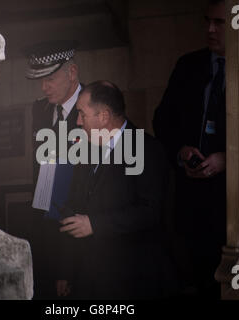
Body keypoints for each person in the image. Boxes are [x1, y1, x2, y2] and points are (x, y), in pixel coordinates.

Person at [57, 81, 177, 299]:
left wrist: (95, 224)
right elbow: (73, 208)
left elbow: (150, 212)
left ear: (103, 116)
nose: (77, 121)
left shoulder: (147, 149)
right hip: (89, 280)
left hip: (132, 282)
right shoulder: (86, 149)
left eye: (82, 114)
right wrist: (65, 271)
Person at [152, 0, 227, 299]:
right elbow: (162, 120)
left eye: (219, 22)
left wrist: (228, 161)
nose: (210, 29)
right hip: (191, 199)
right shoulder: (189, 65)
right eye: (207, 20)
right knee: (199, 277)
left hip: (232, 204)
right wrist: (181, 150)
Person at [23, 40, 82, 299]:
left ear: (72, 73)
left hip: (80, 229)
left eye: (50, 78)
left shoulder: (95, 108)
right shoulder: (41, 109)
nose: (43, 87)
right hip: (44, 223)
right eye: (40, 79)